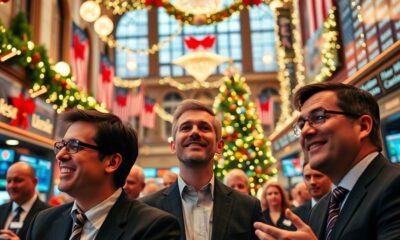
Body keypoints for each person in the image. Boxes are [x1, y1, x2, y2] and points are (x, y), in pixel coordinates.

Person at [254, 82, 400, 240]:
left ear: (363, 126)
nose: (305, 131)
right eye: (301, 124)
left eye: (319, 117)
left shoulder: (394, 185)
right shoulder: (321, 208)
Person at [27, 109, 180, 240]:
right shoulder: (43, 222)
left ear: (112, 162)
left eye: (74, 146)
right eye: (61, 145)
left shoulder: (153, 227)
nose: (60, 155)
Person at [141, 99, 264, 240]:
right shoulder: (147, 209)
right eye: (186, 127)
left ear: (219, 145)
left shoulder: (248, 207)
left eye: (204, 128)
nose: (194, 132)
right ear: (173, 145)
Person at [0, 162, 51, 240]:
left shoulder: (50, 214)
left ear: (34, 182)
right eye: (8, 181)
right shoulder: (1, 209)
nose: (11, 186)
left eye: (18, 180)